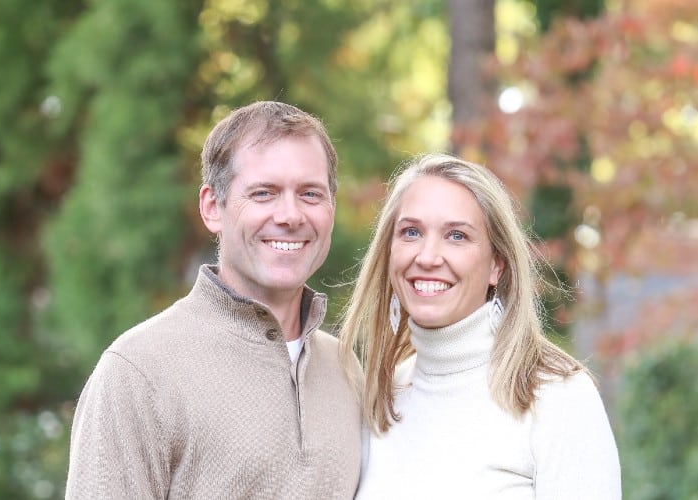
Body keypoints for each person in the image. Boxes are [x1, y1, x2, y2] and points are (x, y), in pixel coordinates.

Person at [66, 101, 363, 499]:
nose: (291, 215)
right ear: (212, 207)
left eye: (310, 194)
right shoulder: (138, 373)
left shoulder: (345, 369)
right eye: (264, 193)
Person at [339, 153, 621, 499]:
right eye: (411, 232)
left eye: (456, 236)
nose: (427, 257)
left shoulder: (557, 397)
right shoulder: (383, 397)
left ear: (496, 266)